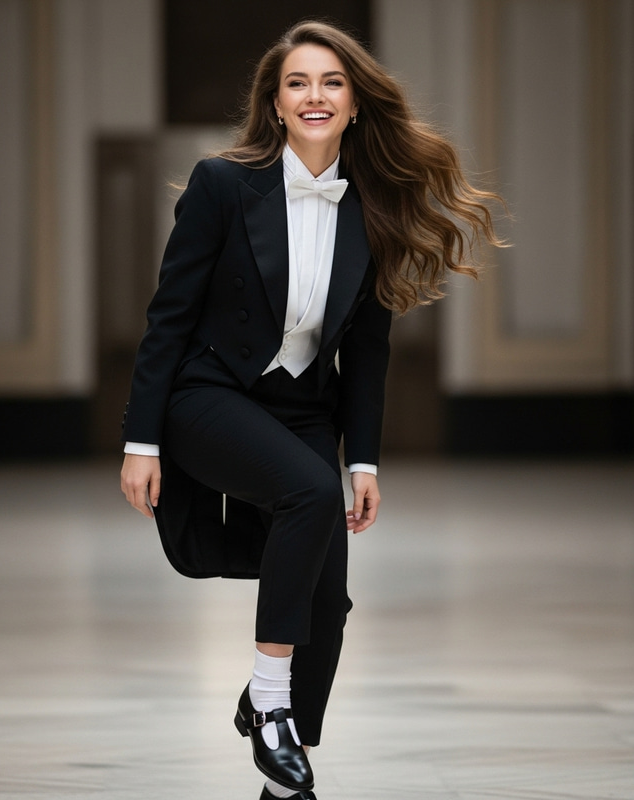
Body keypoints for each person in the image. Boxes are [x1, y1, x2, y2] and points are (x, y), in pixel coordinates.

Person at [120, 20, 501, 800]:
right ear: (275, 104)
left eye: (332, 82)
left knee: (329, 600)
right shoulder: (222, 184)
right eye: (297, 82)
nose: (315, 95)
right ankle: (268, 705)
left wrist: (365, 460)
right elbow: (168, 318)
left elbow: (367, 349)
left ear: (355, 103)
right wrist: (141, 440)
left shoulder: (375, 204)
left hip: (300, 407)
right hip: (209, 393)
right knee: (309, 492)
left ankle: (286, 788)